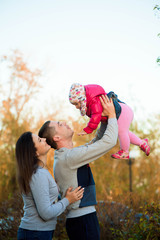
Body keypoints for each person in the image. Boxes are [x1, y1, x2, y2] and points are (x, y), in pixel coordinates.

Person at [38, 95, 118, 240]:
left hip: (82, 219)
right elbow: (109, 142)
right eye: (59, 125)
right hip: (83, 220)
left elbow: (95, 143)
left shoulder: (67, 156)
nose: (64, 122)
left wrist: (104, 119)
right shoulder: (69, 158)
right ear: (56, 138)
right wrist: (112, 115)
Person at [15, 131, 84, 240]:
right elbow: (46, 213)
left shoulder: (40, 172)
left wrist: (62, 197)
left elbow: (47, 203)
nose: (44, 139)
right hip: (35, 233)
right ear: (34, 153)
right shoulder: (38, 175)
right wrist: (67, 200)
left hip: (37, 232)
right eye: (39, 140)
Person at [69, 83, 150, 160]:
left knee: (121, 132)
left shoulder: (94, 101)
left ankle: (125, 152)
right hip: (119, 113)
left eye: (76, 104)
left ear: (82, 99)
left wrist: (88, 129)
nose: (76, 107)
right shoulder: (91, 101)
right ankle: (142, 143)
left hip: (122, 112)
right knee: (123, 132)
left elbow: (96, 116)